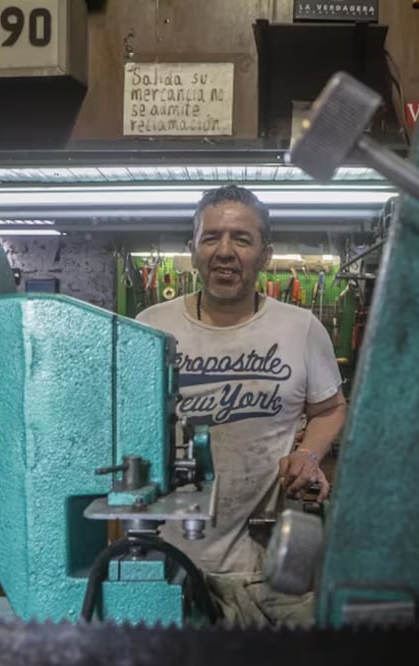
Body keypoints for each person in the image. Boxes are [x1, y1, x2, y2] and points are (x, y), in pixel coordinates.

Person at [136, 185, 346, 627]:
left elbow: (330, 409)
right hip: (168, 564)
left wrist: (308, 455)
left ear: (265, 254)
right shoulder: (151, 328)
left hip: (269, 572)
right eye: (211, 237)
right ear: (192, 250)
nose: (225, 251)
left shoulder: (300, 328)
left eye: (242, 239)